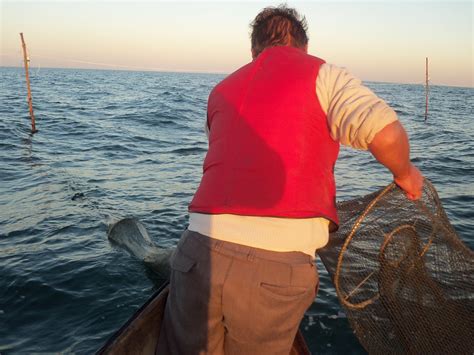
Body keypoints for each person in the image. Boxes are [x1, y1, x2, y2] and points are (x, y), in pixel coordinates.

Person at [157, 5, 423, 355]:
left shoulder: (219, 91)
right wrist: (405, 174)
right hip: (273, 268)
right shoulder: (323, 75)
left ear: (254, 51)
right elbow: (386, 135)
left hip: (195, 251)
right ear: (303, 47)